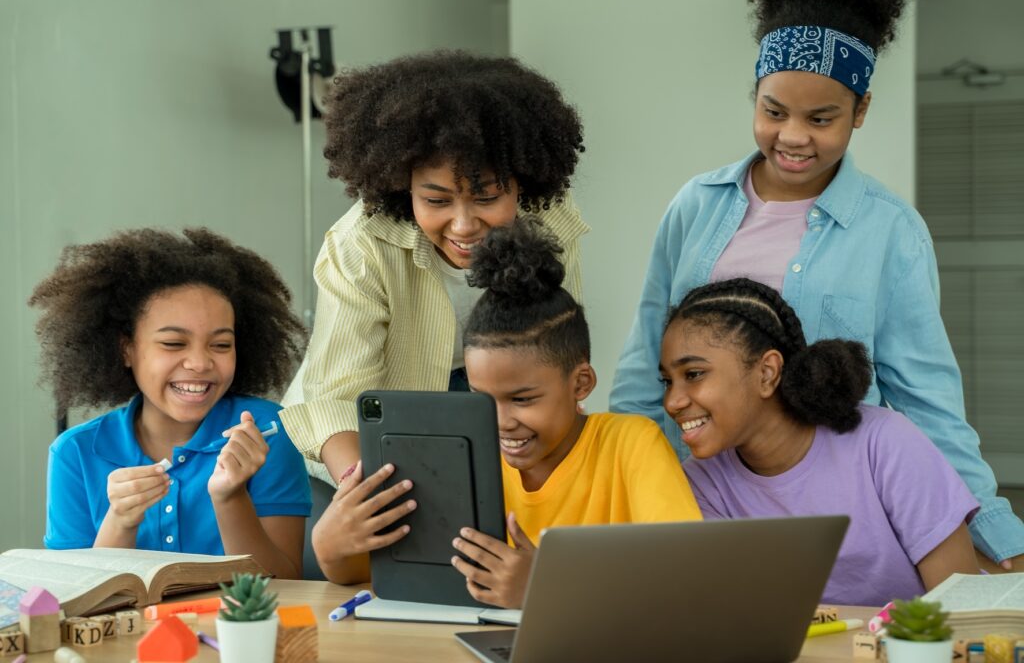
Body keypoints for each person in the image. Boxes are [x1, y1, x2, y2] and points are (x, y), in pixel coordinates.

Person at [610, 0, 1024, 569]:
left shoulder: (891, 231)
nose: (793, 137)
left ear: (860, 110)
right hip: (708, 496)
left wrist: (999, 540)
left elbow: (928, 405)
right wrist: (633, 500)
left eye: (821, 118)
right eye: (774, 111)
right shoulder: (695, 206)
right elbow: (644, 371)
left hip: (845, 511)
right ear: (754, 94)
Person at [277, 51, 590, 581]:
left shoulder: (550, 220)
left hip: (484, 403)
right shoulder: (362, 243)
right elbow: (335, 397)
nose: (464, 224)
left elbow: (555, 357)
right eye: (437, 199)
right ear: (403, 186)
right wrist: (365, 494)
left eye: (487, 196)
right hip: (361, 427)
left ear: (521, 183)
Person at [659, 277, 979, 606]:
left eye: (694, 374)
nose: (673, 402)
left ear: (767, 372)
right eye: (667, 381)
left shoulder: (884, 442)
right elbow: (738, 618)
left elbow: (964, 612)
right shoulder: (700, 483)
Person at [33, 228, 311, 579]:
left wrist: (230, 498)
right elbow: (71, 598)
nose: (200, 362)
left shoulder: (266, 431)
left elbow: (284, 584)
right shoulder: (75, 453)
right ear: (126, 349)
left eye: (221, 345)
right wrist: (119, 521)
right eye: (174, 344)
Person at [451, 220, 701, 607]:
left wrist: (545, 588)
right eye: (483, 399)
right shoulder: (468, 460)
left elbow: (687, 575)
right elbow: (371, 573)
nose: (499, 421)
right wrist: (333, 547)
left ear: (581, 383)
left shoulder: (631, 444)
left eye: (523, 399)